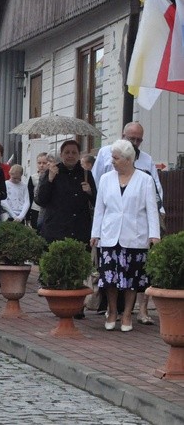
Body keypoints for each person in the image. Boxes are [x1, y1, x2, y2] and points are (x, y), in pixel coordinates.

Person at [90, 140, 160, 332]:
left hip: (135, 236)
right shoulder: (105, 179)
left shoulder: (145, 180)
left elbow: (152, 210)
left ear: (128, 159)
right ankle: (112, 312)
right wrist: (95, 233)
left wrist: (154, 234)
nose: (112, 161)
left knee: (131, 279)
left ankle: (128, 313)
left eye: (116, 158)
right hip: (110, 234)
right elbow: (100, 209)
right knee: (110, 277)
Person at [36, 140, 96, 245]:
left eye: (74, 152)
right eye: (67, 152)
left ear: (79, 155)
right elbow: (40, 200)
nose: (70, 155)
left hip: (79, 231)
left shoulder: (86, 174)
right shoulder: (51, 172)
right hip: (55, 231)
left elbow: (97, 202)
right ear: (61, 154)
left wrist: (90, 192)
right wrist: (49, 180)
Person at [26, 152, 49, 231]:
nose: (41, 165)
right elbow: (29, 195)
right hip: (35, 208)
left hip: (47, 209)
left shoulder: (52, 177)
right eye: (39, 163)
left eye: (44, 163)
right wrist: (28, 214)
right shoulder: (33, 177)